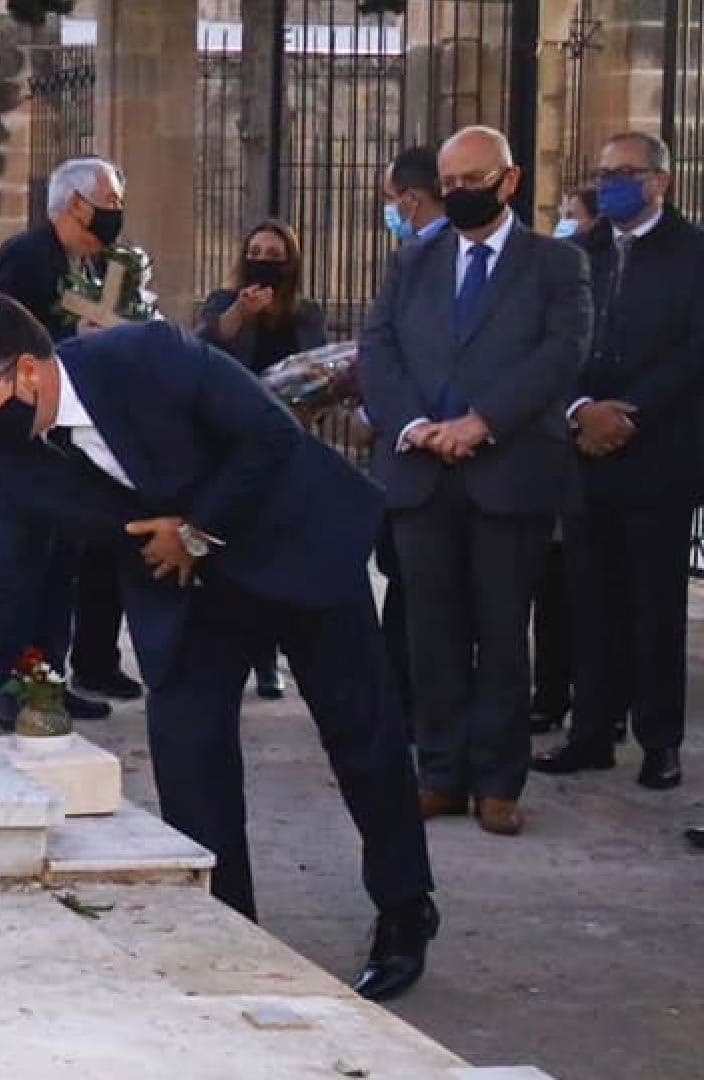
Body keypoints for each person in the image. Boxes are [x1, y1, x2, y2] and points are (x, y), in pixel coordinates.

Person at [0, 293, 437, 1002]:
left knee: (364, 741)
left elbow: (270, 437)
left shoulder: (147, 356)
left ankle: (406, 911)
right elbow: (5, 575)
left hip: (292, 546)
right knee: (190, 755)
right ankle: (228, 927)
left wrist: (197, 529)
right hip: (188, 594)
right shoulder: (8, 447)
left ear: (30, 373)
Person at [358, 126, 593, 837]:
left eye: (473, 180)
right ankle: (439, 772)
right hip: (422, 471)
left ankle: (497, 781)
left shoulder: (555, 264)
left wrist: (482, 422)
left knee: (499, 632)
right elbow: (379, 346)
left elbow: (561, 353)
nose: (459, 193)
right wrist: (417, 427)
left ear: (509, 181)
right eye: (451, 183)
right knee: (430, 631)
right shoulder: (413, 262)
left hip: (509, 472)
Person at [533, 133, 704, 792]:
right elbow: (556, 342)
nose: (609, 185)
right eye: (602, 174)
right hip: (584, 453)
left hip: (657, 453)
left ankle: (659, 740)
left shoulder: (693, 254)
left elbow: (695, 351)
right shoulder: (580, 253)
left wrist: (626, 413)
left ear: (660, 181)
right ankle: (590, 731)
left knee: (654, 604)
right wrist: (580, 409)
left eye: (624, 173)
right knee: (588, 596)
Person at [0, 157, 144, 717]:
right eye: (109, 205)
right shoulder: (27, 256)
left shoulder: (98, 265)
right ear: (76, 203)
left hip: (68, 436)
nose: (115, 217)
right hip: (23, 437)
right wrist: (76, 335)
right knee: (17, 560)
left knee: (59, 567)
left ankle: (47, 677)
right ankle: (4, 679)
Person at [198, 220, 329, 700]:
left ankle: (273, 657)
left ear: (289, 262)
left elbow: (320, 372)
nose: (263, 260)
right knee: (233, 554)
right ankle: (239, 656)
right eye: (255, 251)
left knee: (278, 554)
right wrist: (241, 313)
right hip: (231, 445)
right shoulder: (222, 301)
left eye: (274, 254)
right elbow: (205, 349)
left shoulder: (306, 313)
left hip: (287, 444)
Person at [372, 146, 447, 714]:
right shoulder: (410, 256)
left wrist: (399, 417)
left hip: (444, 456)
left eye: (390, 200)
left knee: (431, 605)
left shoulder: (432, 257)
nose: (389, 211)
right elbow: (381, 346)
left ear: (412, 198)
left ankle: (419, 709)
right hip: (412, 453)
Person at [529, 186, 602, 733]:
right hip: (556, 451)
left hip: (617, 455)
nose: (561, 223)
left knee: (600, 596)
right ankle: (552, 695)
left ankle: (602, 706)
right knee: (550, 592)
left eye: (571, 215)